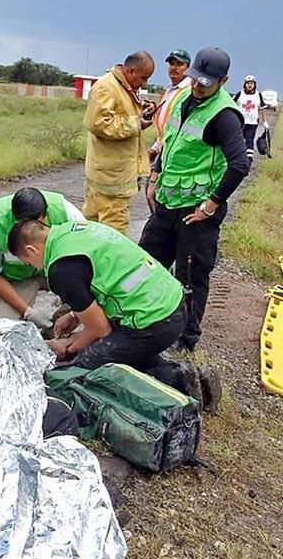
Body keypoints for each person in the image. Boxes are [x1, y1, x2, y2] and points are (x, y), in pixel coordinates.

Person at [7, 219, 216, 399]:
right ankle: (179, 373)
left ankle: (178, 380)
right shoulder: (74, 229)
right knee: (121, 351)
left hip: (154, 321)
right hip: (172, 301)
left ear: (32, 250)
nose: (34, 268)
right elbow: (99, 277)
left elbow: (100, 330)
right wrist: (74, 315)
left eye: (29, 263)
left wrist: (67, 348)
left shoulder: (59, 269)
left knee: (83, 368)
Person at [141, 47, 250, 351]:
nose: (198, 87)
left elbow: (240, 165)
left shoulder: (224, 116)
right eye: (195, 80)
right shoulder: (182, 99)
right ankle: (142, 321)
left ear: (223, 81)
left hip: (195, 212)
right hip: (166, 202)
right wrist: (154, 176)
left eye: (206, 83)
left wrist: (211, 205)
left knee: (190, 277)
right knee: (146, 264)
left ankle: (185, 341)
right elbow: (169, 141)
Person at [0, 187, 84, 327]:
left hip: (55, 272)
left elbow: (89, 256)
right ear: (14, 217)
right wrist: (27, 312)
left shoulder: (66, 212)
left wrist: (73, 293)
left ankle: (68, 316)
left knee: (89, 305)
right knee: (0, 327)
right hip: (13, 280)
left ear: (46, 215)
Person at [82, 51, 156, 235]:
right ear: (130, 71)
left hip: (110, 175)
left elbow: (121, 113)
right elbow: (99, 123)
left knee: (92, 230)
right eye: (143, 77)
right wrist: (136, 123)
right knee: (113, 235)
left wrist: (141, 111)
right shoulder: (106, 87)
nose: (144, 83)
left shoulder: (122, 87)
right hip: (111, 181)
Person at [147, 49, 193, 205]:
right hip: (163, 147)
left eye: (179, 64)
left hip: (175, 153)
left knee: (159, 194)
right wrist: (156, 145)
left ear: (188, 67)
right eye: (172, 64)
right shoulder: (170, 90)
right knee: (153, 193)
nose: (174, 68)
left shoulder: (189, 91)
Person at [232, 74, 268, 166]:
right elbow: (231, 104)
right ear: (244, 84)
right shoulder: (240, 94)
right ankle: (237, 157)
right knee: (238, 140)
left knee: (249, 140)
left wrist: (264, 121)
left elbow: (262, 108)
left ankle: (248, 159)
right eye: (248, 83)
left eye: (251, 83)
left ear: (254, 84)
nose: (249, 85)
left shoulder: (258, 95)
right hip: (240, 122)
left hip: (252, 122)